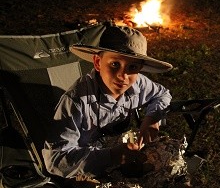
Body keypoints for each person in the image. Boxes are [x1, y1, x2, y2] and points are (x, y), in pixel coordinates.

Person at [42, 22, 173, 179]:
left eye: (132, 68)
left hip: (118, 152)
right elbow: (55, 160)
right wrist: (111, 156)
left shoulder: (138, 83)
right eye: (115, 64)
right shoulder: (77, 101)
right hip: (86, 167)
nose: (122, 76)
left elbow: (162, 94)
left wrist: (152, 118)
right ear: (98, 63)